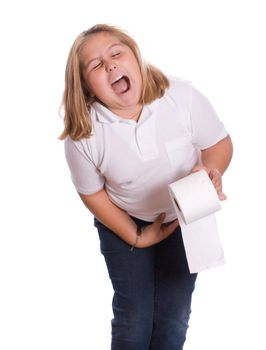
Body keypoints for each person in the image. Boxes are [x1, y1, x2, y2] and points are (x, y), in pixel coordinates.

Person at [60, 23, 233, 350]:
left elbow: (218, 143)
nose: (110, 64)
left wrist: (212, 168)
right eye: (96, 65)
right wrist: (136, 236)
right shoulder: (84, 134)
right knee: (134, 320)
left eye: (116, 53)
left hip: (182, 216)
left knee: (173, 317)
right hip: (123, 221)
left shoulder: (180, 96)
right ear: (87, 88)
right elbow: (92, 193)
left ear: (136, 58)